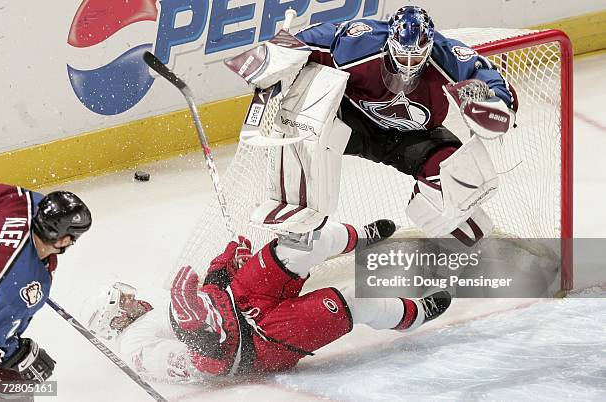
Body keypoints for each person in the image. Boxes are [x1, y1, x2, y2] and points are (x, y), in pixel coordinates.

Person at [228, 5, 516, 246]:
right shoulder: (360, 41)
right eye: (402, 56)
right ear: (389, 43)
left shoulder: (446, 54)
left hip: (412, 137)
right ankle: (294, 229)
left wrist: (497, 101)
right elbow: (304, 40)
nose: (407, 65)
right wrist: (275, 55)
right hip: (350, 124)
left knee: (463, 177)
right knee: (302, 115)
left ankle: (458, 243)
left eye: (417, 58)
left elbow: (490, 77)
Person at [86, 219, 451, 381]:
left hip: (243, 295)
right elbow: (194, 365)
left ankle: (359, 236)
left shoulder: (157, 303)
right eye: (124, 301)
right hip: (258, 344)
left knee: (301, 242)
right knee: (352, 302)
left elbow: (211, 299)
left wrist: (220, 271)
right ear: (114, 320)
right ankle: (413, 314)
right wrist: (197, 333)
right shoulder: (133, 343)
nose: (133, 298)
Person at [0, 183, 92, 395]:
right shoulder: (19, 290)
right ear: (65, 239)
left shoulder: (24, 203)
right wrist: (17, 354)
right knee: (16, 388)